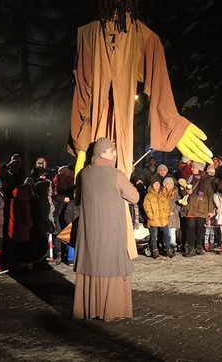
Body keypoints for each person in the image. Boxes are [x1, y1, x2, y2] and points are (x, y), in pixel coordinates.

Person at [67, 0, 212, 181]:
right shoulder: (88, 35)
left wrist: (174, 126)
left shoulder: (144, 38)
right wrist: (82, 146)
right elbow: (82, 95)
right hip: (94, 147)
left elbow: (159, 88)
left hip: (121, 145)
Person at [74, 137, 140, 321]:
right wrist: (126, 177)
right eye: (112, 150)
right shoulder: (116, 174)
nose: (115, 153)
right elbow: (134, 197)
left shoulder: (84, 173)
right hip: (111, 230)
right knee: (112, 265)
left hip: (89, 232)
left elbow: (77, 197)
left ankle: (91, 307)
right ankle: (111, 309)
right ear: (102, 153)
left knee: (93, 264)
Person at [180, 161, 214, 257]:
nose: (191, 169)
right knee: (190, 227)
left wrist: (211, 210)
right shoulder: (188, 178)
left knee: (200, 227)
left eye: (193, 167)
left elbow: (210, 195)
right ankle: (191, 248)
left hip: (202, 207)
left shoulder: (206, 180)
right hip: (191, 207)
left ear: (199, 168)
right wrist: (186, 191)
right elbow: (182, 190)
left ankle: (199, 246)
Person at [143, 176, 173, 259]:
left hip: (163, 218)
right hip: (154, 218)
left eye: (158, 183)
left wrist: (166, 213)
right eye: (155, 183)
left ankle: (168, 249)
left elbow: (167, 205)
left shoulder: (163, 194)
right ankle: (155, 250)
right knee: (154, 235)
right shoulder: (149, 195)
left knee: (167, 234)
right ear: (152, 185)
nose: (157, 185)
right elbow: (146, 206)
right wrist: (151, 216)